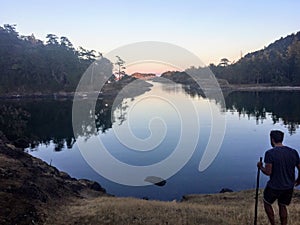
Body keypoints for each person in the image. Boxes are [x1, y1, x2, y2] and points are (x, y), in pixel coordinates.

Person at [257, 130, 300, 225]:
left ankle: (273, 223)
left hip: (274, 186)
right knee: (282, 205)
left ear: (272, 139)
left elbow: (268, 172)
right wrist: (299, 179)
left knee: (267, 202)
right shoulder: (293, 152)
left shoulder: (270, 153)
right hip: (288, 186)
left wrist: (260, 167)